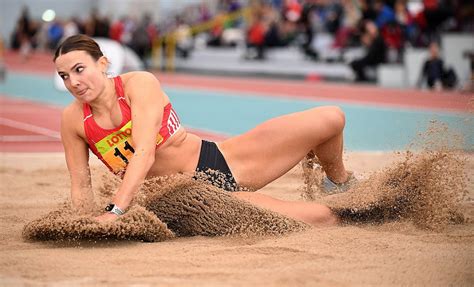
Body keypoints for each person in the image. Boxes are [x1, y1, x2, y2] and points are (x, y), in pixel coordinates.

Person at [55, 34, 355, 228]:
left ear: (103, 63)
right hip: (190, 198)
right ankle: (347, 207)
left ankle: (339, 182)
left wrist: (115, 211)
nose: (73, 82)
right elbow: (81, 184)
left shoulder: (138, 85)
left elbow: (144, 152)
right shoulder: (73, 121)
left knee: (332, 118)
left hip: (218, 159)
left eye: (79, 69)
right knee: (323, 217)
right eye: (64, 76)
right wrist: (85, 222)